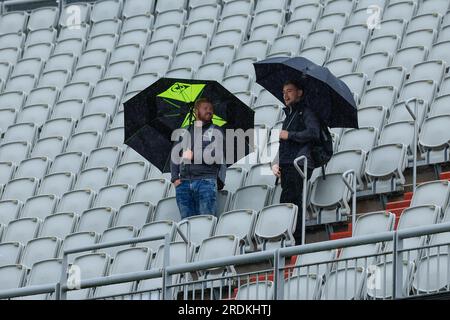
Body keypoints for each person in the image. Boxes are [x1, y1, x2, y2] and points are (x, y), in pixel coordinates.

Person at [271, 80, 321, 245]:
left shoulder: (307, 112)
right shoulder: (289, 115)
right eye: (284, 91)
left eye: (290, 91)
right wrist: (276, 162)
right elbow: (284, 144)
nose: (285, 95)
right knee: (286, 203)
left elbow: (314, 133)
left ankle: (296, 242)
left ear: (299, 92)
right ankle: (289, 241)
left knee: (293, 202)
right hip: (287, 165)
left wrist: (290, 135)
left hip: (299, 164)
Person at [171, 97, 226, 219]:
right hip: (183, 183)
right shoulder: (185, 131)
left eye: (211, 109)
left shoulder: (216, 131)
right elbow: (174, 156)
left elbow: (217, 157)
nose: (209, 111)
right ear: (196, 112)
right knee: (187, 225)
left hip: (206, 182)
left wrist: (194, 156)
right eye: (205, 108)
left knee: (205, 222)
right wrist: (175, 178)